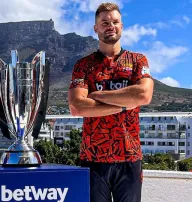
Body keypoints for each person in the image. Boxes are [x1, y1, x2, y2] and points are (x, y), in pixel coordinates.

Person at [68, 2, 154, 202]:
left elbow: (143, 95)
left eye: (115, 21)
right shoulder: (84, 65)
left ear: (121, 26)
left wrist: (97, 95)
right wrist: (124, 104)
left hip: (129, 156)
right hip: (93, 158)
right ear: (95, 28)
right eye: (104, 22)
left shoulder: (137, 61)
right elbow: (77, 106)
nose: (110, 26)